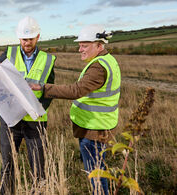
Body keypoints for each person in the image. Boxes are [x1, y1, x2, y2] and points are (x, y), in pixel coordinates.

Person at [31, 24, 120, 195]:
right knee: (97, 171)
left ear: (99, 45)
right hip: (97, 126)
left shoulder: (98, 67)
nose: (80, 49)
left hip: (94, 129)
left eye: (84, 45)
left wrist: (43, 88)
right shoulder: (107, 60)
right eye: (80, 45)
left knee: (96, 175)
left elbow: (76, 91)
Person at [0, 16, 56, 194]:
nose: (27, 43)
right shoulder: (8, 54)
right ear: (19, 38)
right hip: (11, 121)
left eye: (31, 39)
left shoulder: (47, 60)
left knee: (38, 168)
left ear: (38, 37)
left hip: (35, 121)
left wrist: (38, 109)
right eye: (24, 39)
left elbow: (50, 90)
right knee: (7, 165)